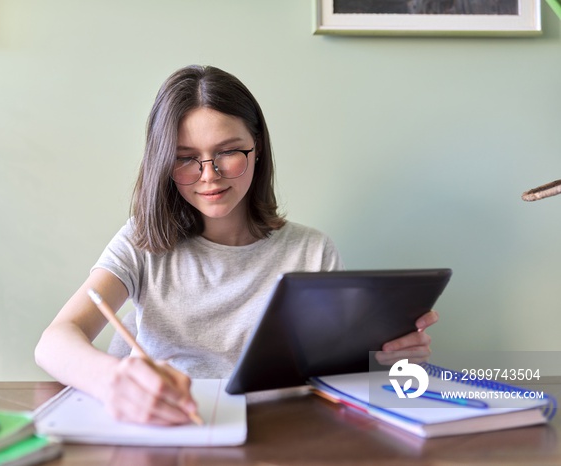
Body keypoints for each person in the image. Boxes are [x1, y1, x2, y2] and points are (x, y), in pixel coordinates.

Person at [34, 65, 438, 426]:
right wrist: (111, 380)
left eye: (228, 152)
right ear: (163, 163)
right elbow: (54, 342)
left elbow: (336, 380)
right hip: (171, 430)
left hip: (280, 435)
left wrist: (386, 359)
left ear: (257, 149)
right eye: (185, 158)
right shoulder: (143, 240)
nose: (209, 176)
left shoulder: (312, 251)